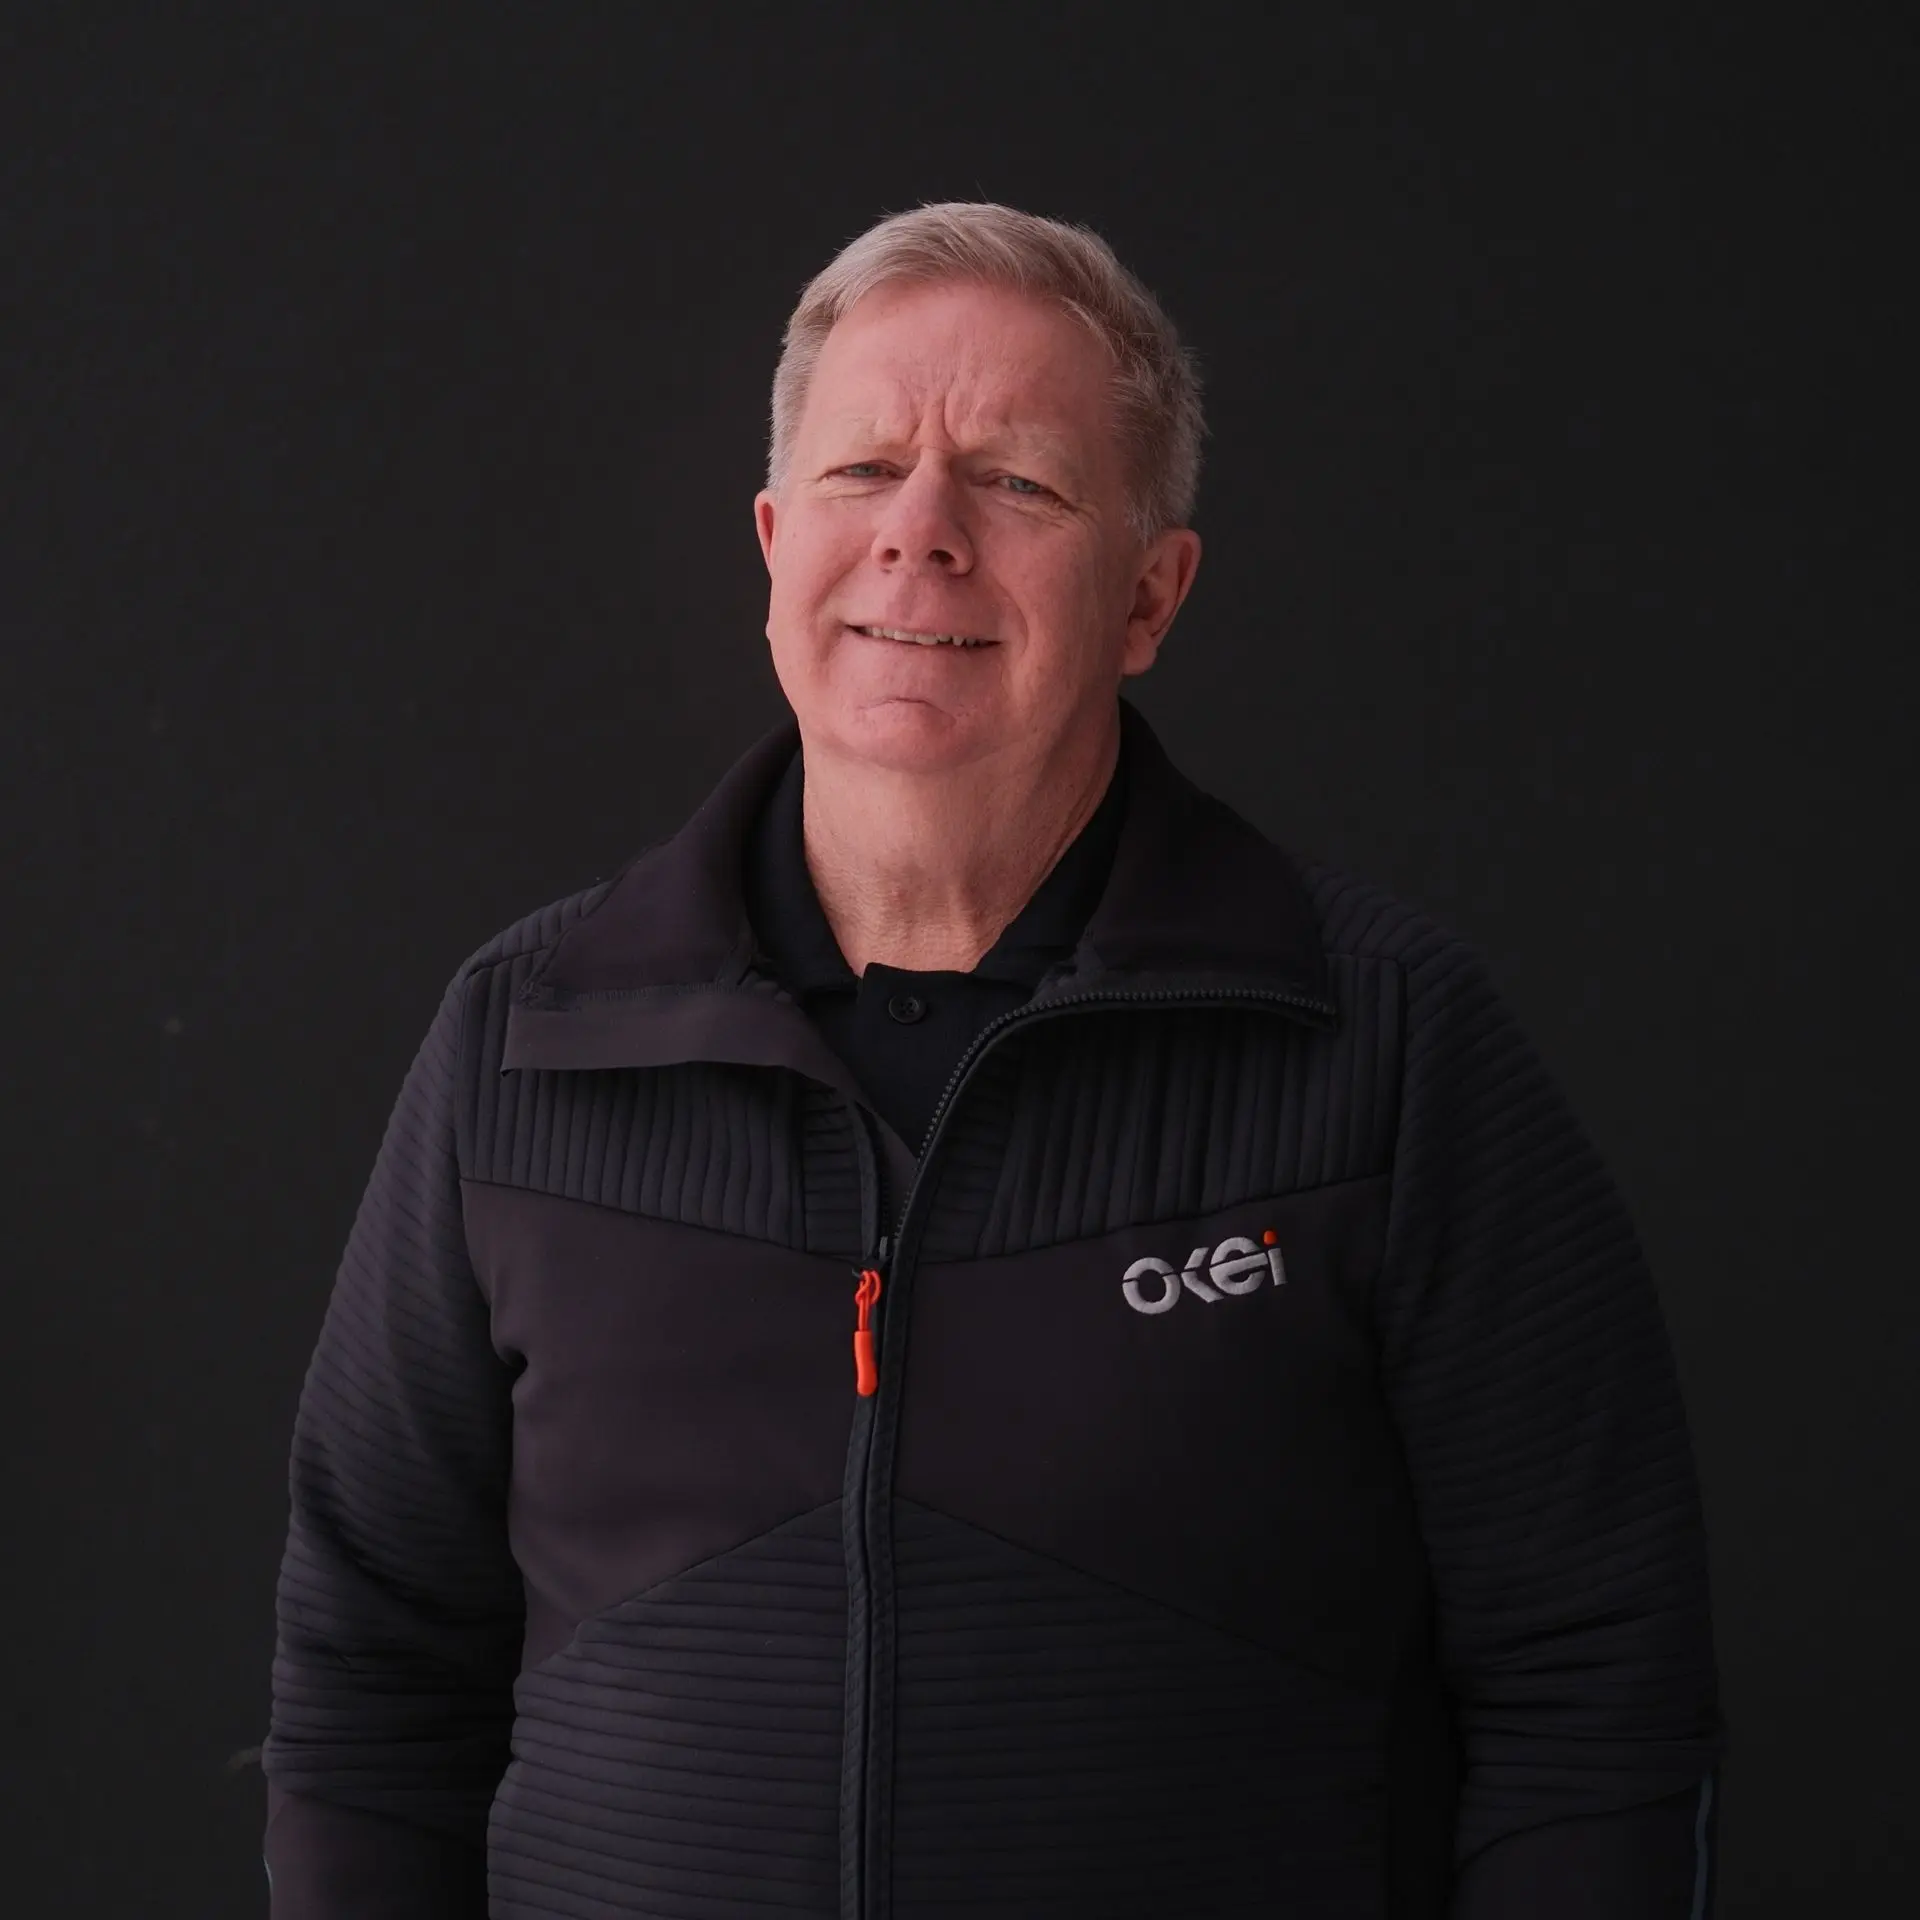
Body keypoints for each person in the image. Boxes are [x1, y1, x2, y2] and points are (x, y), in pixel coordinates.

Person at [260, 201, 1722, 1917]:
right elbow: (370, 1680)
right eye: (863, 471)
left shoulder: (1388, 1050)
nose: (922, 534)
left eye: (1018, 482)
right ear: (774, 544)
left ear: (1150, 594)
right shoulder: (526, 1043)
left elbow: (1593, 1691)